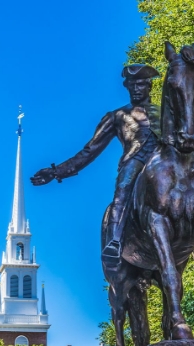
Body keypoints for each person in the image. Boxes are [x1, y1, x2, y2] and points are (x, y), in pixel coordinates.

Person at [31, 64, 161, 263]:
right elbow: (90, 150)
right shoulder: (117, 116)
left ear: (149, 87)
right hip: (136, 161)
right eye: (132, 85)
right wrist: (56, 172)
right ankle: (115, 241)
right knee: (123, 189)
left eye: (141, 85)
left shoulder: (166, 114)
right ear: (127, 87)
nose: (136, 89)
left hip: (164, 163)